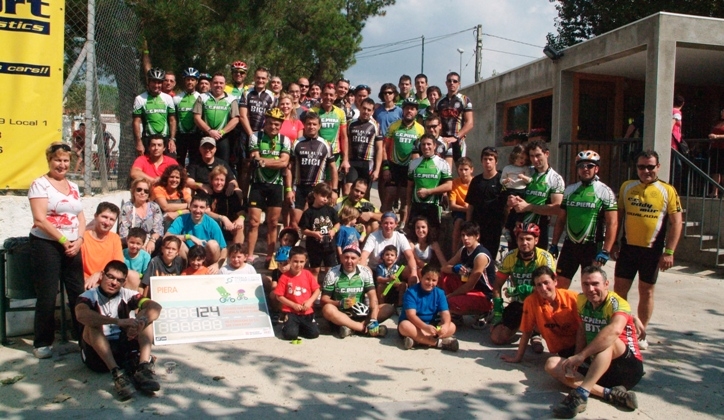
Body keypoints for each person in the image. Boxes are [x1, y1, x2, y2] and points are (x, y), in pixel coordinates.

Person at [546, 266, 643, 418]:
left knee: (608, 340)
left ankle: (582, 393)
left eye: (595, 284)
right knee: (552, 364)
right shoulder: (582, 300)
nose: (591, 289)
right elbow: (583, 328)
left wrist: (582, 355)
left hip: (627, 368)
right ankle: (610, 394)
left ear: (606, 284)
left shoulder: (617, 303)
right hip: (597, 367)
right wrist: (577, 356)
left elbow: (614, 331)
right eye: (586, 284)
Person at [613, 150, 682, 350]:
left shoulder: (667, 190)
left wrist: (669, 252)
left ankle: (641, 332)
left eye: (650, 167)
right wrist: (613, 243)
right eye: (641, 167)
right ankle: (622, 327)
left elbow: (676, 223)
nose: (646, 171)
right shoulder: (627, 187)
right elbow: (617, 217)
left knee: (647, 292)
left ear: (658, 167)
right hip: (627, 249)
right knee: (619, 291)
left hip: (652, 251)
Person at [28, 142, 86, 358]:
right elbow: (40, 220)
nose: (62, 165)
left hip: (73, 244)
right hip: (47, 245)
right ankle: (42, 343)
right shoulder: (39, 184)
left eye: (65, 160)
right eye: (57, 160)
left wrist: (79, 239)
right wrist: (63, 240)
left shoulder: (73, 186)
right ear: (49, 161)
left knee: (78, 293)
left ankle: (84, 339)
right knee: (48, 294)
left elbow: (80, 216)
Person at [75, 260, 163, 399]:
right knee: (92, 324)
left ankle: (143, 367)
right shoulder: (88, 296)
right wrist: (117, 321)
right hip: (98, 355)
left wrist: (142, 321)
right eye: (110, 277)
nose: (114, 283)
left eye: (119, 280)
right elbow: (81, 314)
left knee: (145, 318)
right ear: (102, 275)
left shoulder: (127, 294)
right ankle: (117, 375)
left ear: (124, 282)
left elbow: (156, 306)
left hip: (123, 347)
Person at [550, 151, 618, 290]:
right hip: (570, 246)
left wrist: (606, 250)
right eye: (581, 166)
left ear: (596, 169)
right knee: (560, 286)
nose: (585, 169)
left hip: (592, 247)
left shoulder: (605, 191)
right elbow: (561, 219)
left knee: (590, 287)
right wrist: (554, 244)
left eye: (590, 166)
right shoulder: (569, 190)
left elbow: (612, 223)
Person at [491, 223, 556, 345]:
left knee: (555, 342)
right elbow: (497, 285)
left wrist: (523, 289)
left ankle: (536, 331)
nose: (524, 242)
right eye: (521, 239)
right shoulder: (510, 256)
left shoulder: (545, 258)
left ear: (536, 240)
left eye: (529, 239)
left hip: (540, 304)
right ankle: (525, 326)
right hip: (519, 304)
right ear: (516, 240)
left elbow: (550, 289)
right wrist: (498, 311)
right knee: (497, 338)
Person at [501, 266, 579, 363]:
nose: (543, 288)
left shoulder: (572, 297)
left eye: (546, 283)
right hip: (564, 351)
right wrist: (517, 358)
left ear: (555, 281)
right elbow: (526, 331)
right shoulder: (531, 301)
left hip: (582, 345)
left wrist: (578, 355)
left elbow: (583, 329)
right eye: (539, 285)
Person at [321, 243, 395, 338]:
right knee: (327, 309)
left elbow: (373, 296)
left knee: (388, 308)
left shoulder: (365, 272)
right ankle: (363, 329)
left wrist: (373, 318)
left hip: (361, 313)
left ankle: (351, 328)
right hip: (341, 313)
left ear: (359, 260)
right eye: (346, 257)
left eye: (353, 258)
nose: (349, 261)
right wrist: (339, 303)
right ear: (341, 258)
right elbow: (324, 300)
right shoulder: (332, 272)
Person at [247, 108, 291, 264]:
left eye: (277, 125)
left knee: (273, 223)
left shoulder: (284, 140)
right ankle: (249, 255)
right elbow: (256, 160)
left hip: (276, 185)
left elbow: (284, 162)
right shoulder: (255, 137)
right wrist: (274, 162)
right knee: (253, 222)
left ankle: (270, 257)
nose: (273, 127)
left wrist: (265, 162)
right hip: (258, 184)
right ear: (265, 122)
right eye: (271, 123)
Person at [508, 140, 565, 250]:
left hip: (538, 232)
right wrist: (509, 199)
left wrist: (529, 207)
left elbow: (558, 208)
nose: (535, 160)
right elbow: (509, 189)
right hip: (518, 229)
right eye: (531, 156)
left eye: (538, 155)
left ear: (546, 154)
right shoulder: (525, 171)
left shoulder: (555, 179)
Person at [440, 221, 495, 328]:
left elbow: (470, 285)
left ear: (477, 236)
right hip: (469, 288)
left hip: (483, 294)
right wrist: (455, 269)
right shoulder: (463, 250)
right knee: (444, 276)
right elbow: (444, 268)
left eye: (469, 235)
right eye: (463, 235)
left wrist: (449, 296)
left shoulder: (481, 256)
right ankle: (456, 315)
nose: (465, 238)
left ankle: (484, 312)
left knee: (448, 302)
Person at [288, 112, 338, 227]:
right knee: (296, 222)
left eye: (314, 124)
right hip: (299, 187)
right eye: (309, 124)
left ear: (319, 126)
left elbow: (333, 168)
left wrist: (334, 191)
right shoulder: (296, 143)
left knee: (316, 223)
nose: (311, 126)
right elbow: (289, 168)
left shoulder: (325, 144)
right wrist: (289, 189)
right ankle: (296, 245)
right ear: (304, 125)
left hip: (317, 188)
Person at [398, 264, 459, 351]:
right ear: (421, 277)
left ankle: (417, 341)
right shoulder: (411, 292)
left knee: (451, 326)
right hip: (415, 325)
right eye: (427, 279)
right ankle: (438, 343)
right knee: (404, 326)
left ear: (438, 281)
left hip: (432, 326)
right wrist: (425, 327)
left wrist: (445, 325)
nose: (430, 283)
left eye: (434, 280)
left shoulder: (440, 293)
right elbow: (411, 315)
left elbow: (445, 312)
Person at [82, 202, 141, 291]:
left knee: (134, 276)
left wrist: (100, 273)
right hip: (89, 280)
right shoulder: (83, 238)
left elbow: (118, 265)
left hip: (110, 277)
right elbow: (76, 268)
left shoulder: (115, 238)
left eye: (112, 219)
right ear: (95, 216)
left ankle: (129, 303)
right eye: (104, 217)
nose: (107, 222)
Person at [383, 97, 425, 219]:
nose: (409, 111)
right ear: (403, 110)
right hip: (393, 166)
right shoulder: (393, 126)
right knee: (389, 196)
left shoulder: (420, 129)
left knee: (405, 198)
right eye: (407, 108)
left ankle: (403, 225)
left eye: (412, 109)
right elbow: (384, 147)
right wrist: (385, 167)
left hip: (409, 168)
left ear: (416, 111)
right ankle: (384, 222)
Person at [165, 195, 227, 273]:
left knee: (213, 244)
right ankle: (184, 271)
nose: (198, 210)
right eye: (195, 206)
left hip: (206, 259)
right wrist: (189, 237)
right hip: (189, 258)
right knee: (177, 242)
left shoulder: (212, 223)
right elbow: (166, 237)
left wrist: (218, 265)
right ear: (190, 207)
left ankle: (210, 271)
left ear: (206, 209)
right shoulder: (181, 219)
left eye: (201, 207)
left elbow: (224, 248)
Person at [239, 67, 276, 191]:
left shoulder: (271, 96)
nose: (260, 80)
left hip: (263, 135)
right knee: (246, 166)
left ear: (267, 80)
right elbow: (243, 115)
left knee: (261, 164)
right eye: (258, 77)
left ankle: (258, 195)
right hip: (247, 133)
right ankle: (243, 198)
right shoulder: (247, 92)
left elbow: (272, 118)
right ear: (254, 78)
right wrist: (251, 134)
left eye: (263, 78)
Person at [274, 246, 321, 341]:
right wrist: (293, 305)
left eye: (301, 262)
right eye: (295, 261)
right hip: (291, 312)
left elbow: (317, 290)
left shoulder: (307, 274)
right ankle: (288, 326)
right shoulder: (284, 277)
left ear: (306, 261)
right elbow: (279, 296)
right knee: (290, 335)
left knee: (314, 334)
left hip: (306, 311)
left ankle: (298, 327)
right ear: (289, 260)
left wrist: (309, 302)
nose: (298, 265)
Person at [193, 73, 240, 165]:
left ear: (225, 85)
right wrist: (209, 131)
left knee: (223, 165)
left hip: (222, 137)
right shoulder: (202, 97)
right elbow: (196, 117)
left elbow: (235, 119)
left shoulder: (231, 99)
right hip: (205, 135)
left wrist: (221, 132)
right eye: (215, 83)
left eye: (221, 83)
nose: (218, 85)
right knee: (202, 163)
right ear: (211, 83)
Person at [360, 212, 418, 284]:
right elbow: (364, 255)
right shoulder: (373, 236)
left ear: (396, 224)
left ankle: (412, 293)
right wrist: (361, 269)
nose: (388, 226)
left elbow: (410, 256)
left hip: (394, 271)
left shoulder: (400, 237)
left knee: (411, 271)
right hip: (376, 270)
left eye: (391, 223)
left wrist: (414, 272)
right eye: (386, 223)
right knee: (364, 270)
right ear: (381, 224)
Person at [299, 183, 340, 279]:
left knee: (330, 269)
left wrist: (333, 230)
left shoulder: (330, 210)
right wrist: (313, 233)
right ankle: (314, 289)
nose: (325, 199)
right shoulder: (308, 213)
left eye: (327, 197)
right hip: (314, 246)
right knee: (315, 270)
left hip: (329, 245)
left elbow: (337, 223)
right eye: (322, 196)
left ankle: (328, 289)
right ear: (315, 195)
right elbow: (303, 229)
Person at [133, 68, 177, 156]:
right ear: (148, 82)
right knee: (147, 168)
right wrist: (138, 142)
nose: (157, 85)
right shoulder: (140, 99)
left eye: (159, 82)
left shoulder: (168, 98)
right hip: (148, 139)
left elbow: (172, 120)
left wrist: (172, 140)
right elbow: (136, 122)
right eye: (154, 82)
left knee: (171, 166)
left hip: (165, 139)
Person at [311, 83, 350, 181]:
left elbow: (344, 137)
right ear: (321, 95)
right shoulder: (313, 111)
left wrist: (345, 159)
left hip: (334, 153)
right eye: (326, 94)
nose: (328, 97)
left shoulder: (340, 112)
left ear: (336, 96)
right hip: (317, 152)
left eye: (331, 95)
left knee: (331, 185)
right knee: (316, 183)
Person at [345, 97, 383, 194]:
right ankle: (347, 209)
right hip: (353, 162)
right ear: (360, 108)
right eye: (364, 108)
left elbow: (379, 149)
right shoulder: (350, 123)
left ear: (373, 111)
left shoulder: (376, 126)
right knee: (348, 190)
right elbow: (346, 143)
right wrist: (345, 160)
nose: (366, 112)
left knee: (364, 194)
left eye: (369, 110)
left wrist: (377, 170)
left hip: (367, 163)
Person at [118, 178, 163, 253]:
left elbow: (158, 229)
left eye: (146, 191)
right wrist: (138, 245)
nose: (142, 193)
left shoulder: (154, 207)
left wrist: (151, 241)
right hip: (132, 241)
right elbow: (123, 232)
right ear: (133, 191)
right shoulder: (127, 207)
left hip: (150, 240)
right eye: (139, 190)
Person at [436, 71, 473, 163]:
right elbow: (436, 121)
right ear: (446, 83)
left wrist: (456, 137)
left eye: (455, 81)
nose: (452, 83)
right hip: (442, 140)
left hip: (458, 140)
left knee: (462, 168)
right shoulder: (439, 101)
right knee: (441, 168)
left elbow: (470, 123)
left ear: (459, 84)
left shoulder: (465, 99)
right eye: (449, 81)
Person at [206, 165, 246, 246]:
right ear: (211, 180)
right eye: (216, 179)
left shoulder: (230, 194)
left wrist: (241, 218)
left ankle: (236, 253)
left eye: (222, 180)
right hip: (211, 225)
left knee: (239, 226)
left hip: (228, 226)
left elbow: (241, 210)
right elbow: (205, 212)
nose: (219, 183)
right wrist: (223, 218)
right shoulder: (207, 193)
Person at [501, 145, 531, 243]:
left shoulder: (525, 168)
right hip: (511, 190)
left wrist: (523, 177)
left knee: (519, 210)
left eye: (525, 159)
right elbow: (501, 180)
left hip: (522, 190)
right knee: (511, 208)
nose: (523, 160)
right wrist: (506, 180)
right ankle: (507, 227)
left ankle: (516, 227)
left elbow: (530, 180)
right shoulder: (508, 168)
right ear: (515, 157)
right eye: (521, 158)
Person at [173, 67, 201, 165]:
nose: (190, 82)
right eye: (188, 79)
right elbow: (174, 118)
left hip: (195, 135)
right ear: (184, 81)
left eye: (192, 80)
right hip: (181, 135)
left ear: (196, 82)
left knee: (194, 161)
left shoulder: (200, 97)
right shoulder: (176, 98)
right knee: (179, 162)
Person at [151, 165, 192, 229]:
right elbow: (165, 207)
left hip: (179, 220)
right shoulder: (159, 189)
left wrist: (178, 213)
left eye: (177, 177)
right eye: (172, 177)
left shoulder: (182, 191)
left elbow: (192, 206)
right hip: (161, 222)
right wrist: (187, 206)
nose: (174, 180)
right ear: (166, 178)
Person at [449, 157, 473, 255]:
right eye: (461, 169)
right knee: (458, 222)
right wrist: (466, 209)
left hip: (473, 209)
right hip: (460, 210)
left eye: (466, 169)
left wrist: (469, 208)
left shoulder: (476, 182)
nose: (463, 172)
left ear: (471, 169)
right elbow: (452, 205)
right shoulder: (455, 183)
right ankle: (454, 254)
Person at [707, 108, 724, 198]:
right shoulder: (718, 123)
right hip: (715, 148)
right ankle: (714, 192)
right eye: (721, 112)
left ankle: (722, 191)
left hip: (723, 149)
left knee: (722, 171)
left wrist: (717, 136)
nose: (722, 113)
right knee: (715, 171)